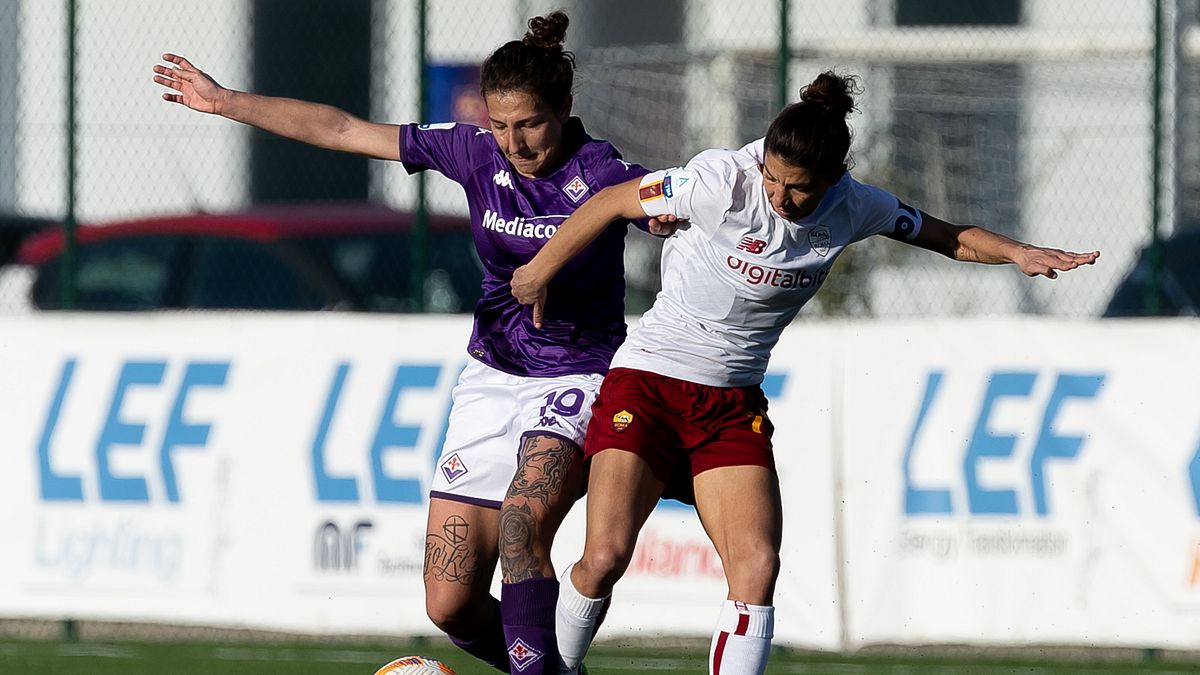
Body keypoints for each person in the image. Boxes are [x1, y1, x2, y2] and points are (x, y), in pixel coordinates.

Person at [510, 71, 1100, 675]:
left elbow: (949, 238)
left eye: (798, 189)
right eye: (772, 176)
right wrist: (538, 270)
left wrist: (1019, 253)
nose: (779, 197)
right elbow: (613, 199)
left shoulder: (857, 205)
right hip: (650, 382)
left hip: (732, 403)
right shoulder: (719, 182)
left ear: (833, 180)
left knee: (758, 565)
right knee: (605, 555)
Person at [154, 12, 674, 674]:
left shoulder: (601, 171)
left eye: (530, 124)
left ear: (565, 109)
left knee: (522, 525)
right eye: (499, 124)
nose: (513, 141)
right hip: (490, 378)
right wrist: (225, 101)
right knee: (450, 602)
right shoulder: (473, 151)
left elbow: (677, 206)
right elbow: (341, 130)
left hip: (577, 378)